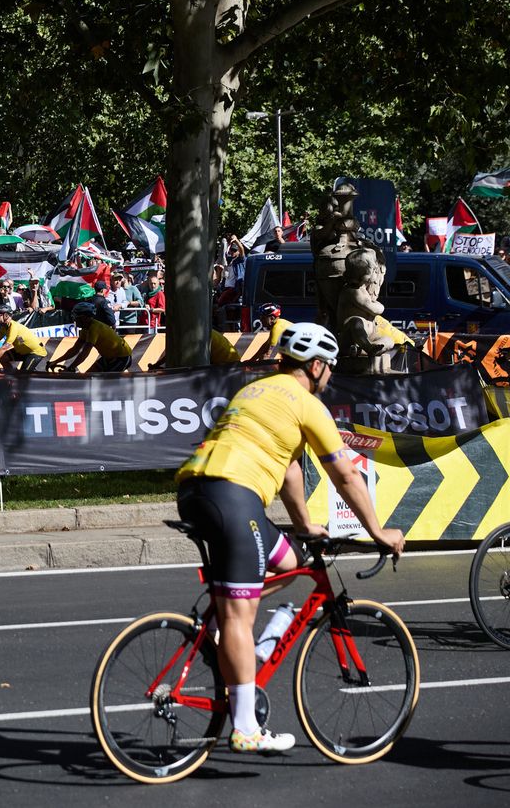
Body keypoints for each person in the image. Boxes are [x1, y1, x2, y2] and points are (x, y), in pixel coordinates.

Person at [174, 323, 405, 754]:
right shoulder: (307, 404)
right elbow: (345, 474)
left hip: (195, 491)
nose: (331, 375)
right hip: (233, 497)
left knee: (288, 560)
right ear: (316, 366)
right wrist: (377, 530)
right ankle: (245, 726)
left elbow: (290, 469)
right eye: (329, 368)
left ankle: (246, 639)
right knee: (239, 615)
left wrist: (303, 525)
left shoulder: (257, 391)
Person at [50, 302, 132, 372]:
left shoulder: (94, 328)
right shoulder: (85, 329)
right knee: (89, 376)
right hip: (108, 357)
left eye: (76, 317)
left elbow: (85, 353)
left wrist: (71, 368)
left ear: (84, 318)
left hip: (122, 357)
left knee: (106, 382)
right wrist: (55, 362)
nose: (74, 319)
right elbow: (74, 349)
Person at [0, 305, 48, 371]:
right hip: (23, 351)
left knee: (23, 375)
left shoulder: (13, 327)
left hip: (35, 353)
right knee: (3, 357)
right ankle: (11, 374)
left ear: (6, 315)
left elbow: (4, 347)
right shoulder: (4, 328)